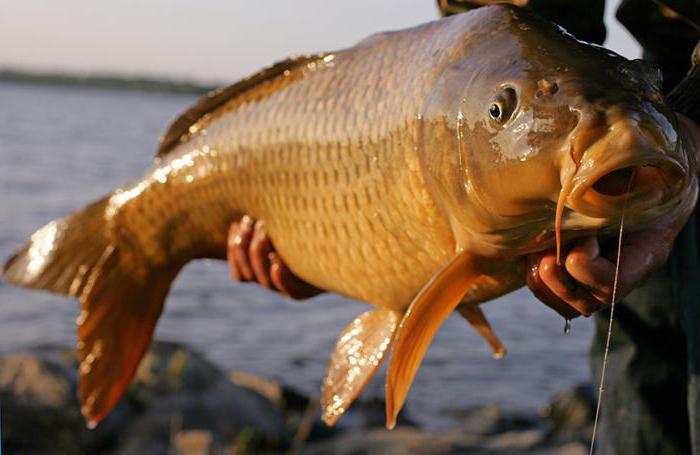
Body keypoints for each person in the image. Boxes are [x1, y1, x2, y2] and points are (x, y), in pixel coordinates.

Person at [227, 1, 700, 453]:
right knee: (647, 365)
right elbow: (512, 37)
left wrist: (690, 126)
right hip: (662, 78)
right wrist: (318, 256)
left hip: (664, 100)